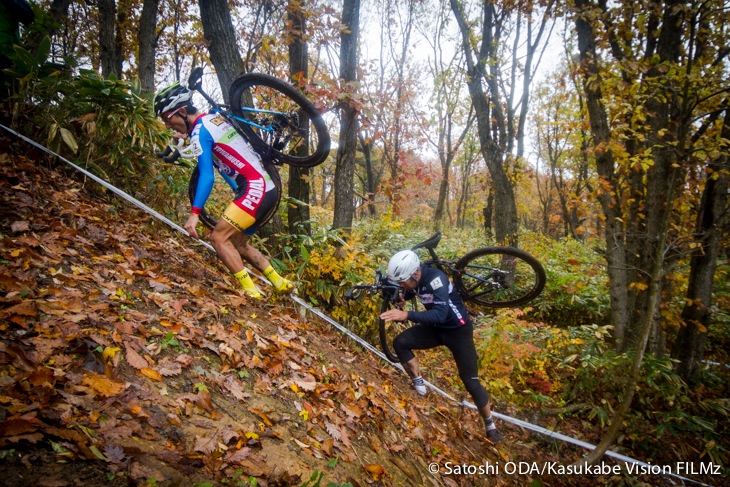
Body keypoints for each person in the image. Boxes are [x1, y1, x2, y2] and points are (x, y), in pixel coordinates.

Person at [153, 82, 293, 299]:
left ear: (181, 111)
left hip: (255, 187)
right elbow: (222, 157)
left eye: (167, 119)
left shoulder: (200, 132)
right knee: (238, 243)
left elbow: (207, 175)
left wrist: (194, 214)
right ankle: (279, 282)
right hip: (267, 187)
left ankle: (251, 293)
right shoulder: (213, 119)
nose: (168, 126)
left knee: (218, 238)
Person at [380, 250, 503, 443]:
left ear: (416, 273)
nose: (402, 285)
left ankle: (490, 424)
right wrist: (402, 297)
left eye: (403, 281)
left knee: (470, 381)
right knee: (400, 343)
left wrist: (406, 315)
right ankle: (419, 387)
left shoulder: (436, 279)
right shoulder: (414, 280)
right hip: (436, 329)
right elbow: (411, 291)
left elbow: (440, 314)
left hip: (458, 331)